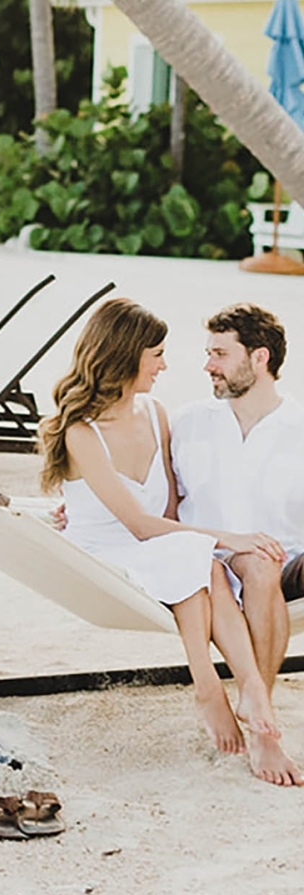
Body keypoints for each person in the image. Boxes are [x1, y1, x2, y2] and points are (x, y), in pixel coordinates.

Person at [38, 298, 297, 787]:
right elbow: (138, 521)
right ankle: (212, 687)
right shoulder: (88, 430)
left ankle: (250, 694)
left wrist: (206, 542)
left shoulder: (157, 413)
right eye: (156, 354)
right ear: (124, 355)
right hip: (118, 550)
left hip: (177, 545)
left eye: (216, 353)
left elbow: (171, 506)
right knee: (200, 557)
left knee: (208, 562)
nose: (168, 365)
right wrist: (226, 537)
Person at [171, 304, 304, 741]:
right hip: (205, 565)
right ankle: (262, 717)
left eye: (221, 354)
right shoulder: (189, 422)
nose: (208, 365)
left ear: (260, 358)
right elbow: (152, 494)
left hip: (289, 564)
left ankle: (255, 701)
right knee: (255, 561)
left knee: (265, 562)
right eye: (209, 353)